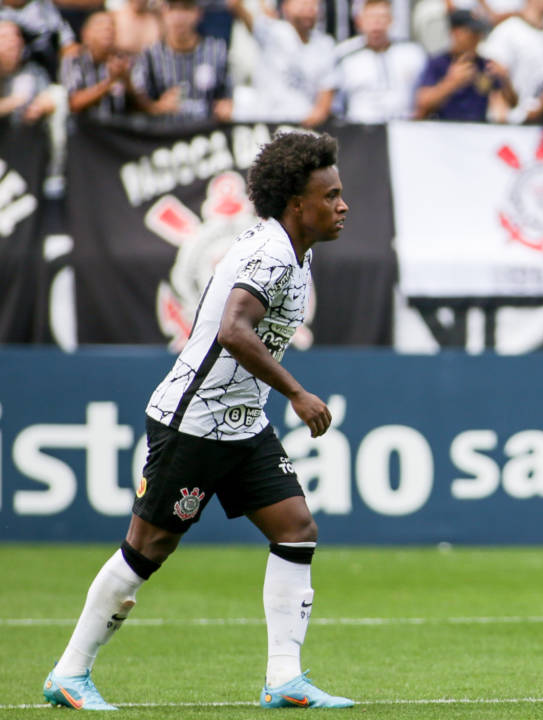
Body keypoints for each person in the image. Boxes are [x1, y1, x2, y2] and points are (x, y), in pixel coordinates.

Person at [42, 130, 355, 711]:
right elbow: (234, 330)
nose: (342, 205)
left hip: (241, 422)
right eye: (331, 195)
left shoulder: (293, 247)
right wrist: (297, 393)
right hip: (195, 420)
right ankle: (69, 672)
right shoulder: (270, 254)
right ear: (296, 204)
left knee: (295, 529)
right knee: (147, 548)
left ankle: (284, 679)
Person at [227, 0, 335, 126]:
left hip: (303, 127)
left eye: (314, 5)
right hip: (268, 123)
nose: (309, 9)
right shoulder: (271, 32)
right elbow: (236, 6)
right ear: (285, 7)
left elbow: (325, 97)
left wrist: (314, 118)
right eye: (303, 3)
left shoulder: (325, 45)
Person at [131, 0, 233, 122]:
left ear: (198, 13)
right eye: (172, 9)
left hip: (206, 133)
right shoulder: (150, 55)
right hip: (165, 134)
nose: (179, 17)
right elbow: (135, 103)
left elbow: (229, 96)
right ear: (163, 12)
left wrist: (227, 106)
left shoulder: (217, 51)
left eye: (185, 9)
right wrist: (156, 107)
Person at [413, 8, 516, 120]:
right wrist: (451, 83)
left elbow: (512, 103)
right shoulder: (438, 63)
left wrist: (505, 80)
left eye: (479, 33)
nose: (477, 38)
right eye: (471, 33)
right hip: (443, 130)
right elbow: (422, 103)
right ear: (455, 33)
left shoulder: (485, 65)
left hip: (477, 131)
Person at [334, 0, 426, 123]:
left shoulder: (412, 54)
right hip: (359, 130)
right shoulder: (344, 56)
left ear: (391, 20)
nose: (376, 24)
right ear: (359, 21)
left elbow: (423, 97)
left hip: (404, 129)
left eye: (382, 17)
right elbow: (336, 106)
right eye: (371, 17)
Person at [61, 11, 135, 117]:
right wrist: (110, 82)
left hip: (119, 128)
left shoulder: (123, 60)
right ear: (86, 34)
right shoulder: (74, 60)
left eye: (111, 26)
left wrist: (127, 80)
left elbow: (142, 106)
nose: (108, 29)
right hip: (85, 129)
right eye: (100, 26)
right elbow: (73, 103)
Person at [0, 18, 55, 122]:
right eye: (4, 37)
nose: (13, 41)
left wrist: (41, 107)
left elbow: (48, 99)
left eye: (17, 35)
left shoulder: (33, 71)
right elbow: (21, 100)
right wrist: (16, 101)